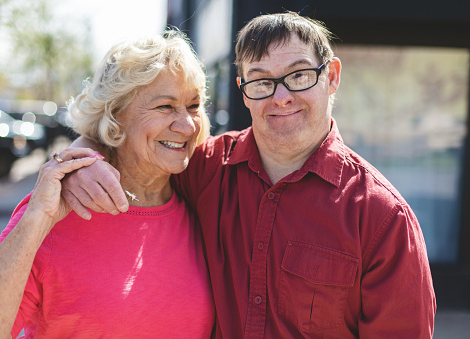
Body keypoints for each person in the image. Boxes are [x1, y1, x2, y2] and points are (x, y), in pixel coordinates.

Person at [63, 12, 436, 338]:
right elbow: (128, 143)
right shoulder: (205, 168)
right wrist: (83, 159)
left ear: (332, 76)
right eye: (261, 81)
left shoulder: (383, 219)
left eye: (300, 75)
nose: (281, 97)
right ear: (243, 92)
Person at [0, 30, 214, 338]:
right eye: (165, 106)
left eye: (193, 105)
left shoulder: (205, 198)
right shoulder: (60, 205)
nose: (187, 125)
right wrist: (37, 220)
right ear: (114, 115)